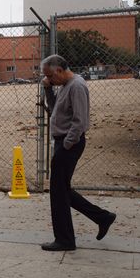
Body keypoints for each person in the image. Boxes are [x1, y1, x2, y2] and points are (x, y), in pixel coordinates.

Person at [41, 54, 116, 251]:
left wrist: (67, 144)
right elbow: (54, 109)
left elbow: (80, 121)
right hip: (64, 142)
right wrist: (48, 88)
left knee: (58, 193)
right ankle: (103, 217)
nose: (49, 79)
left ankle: (65, 240)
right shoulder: (65, 86)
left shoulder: (77, 86)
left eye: (49, 76)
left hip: (69, 144)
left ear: (59, 69)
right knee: (62, 190)